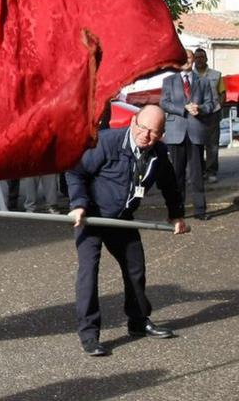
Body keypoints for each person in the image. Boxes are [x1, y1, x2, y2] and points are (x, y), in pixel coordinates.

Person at [66, 105, 187, 357]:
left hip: (122, 219)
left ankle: (138, 321)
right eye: (143, 128)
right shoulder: (107, 141)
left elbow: (170, 184)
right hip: (92, 218)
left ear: (161, 134)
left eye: (153, 132)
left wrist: (176, 215)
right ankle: (89, 334)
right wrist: (78, 205)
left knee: (135, 268)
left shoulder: (158, 153)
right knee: (89, 272)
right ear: (133, 122)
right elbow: (76, 171)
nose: (146, 135)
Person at [159, 51, 215, 220]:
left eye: (189, 58)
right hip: (176, 132)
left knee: (197, 174)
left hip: (196, 131)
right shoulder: (168, 81)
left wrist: (200, 109)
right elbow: (164, 102)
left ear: (193, 61)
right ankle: (177, 212)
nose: (186, 61)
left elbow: (211, 104)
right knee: (176, 175)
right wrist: (183, 108)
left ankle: (200, 210)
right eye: (183, 59)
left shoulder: (203, 81)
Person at [192, 48, 226, 183]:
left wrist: (219, 106)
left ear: (206, 59)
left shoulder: (216, 75)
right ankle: (199, 172)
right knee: (196, 144)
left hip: (212, 113)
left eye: (201, 57)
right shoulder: (189, 76)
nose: (199, 59)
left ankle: (211, 172)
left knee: (212, 145)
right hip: (195, 115)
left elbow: (222, 93)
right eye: (197, 57)